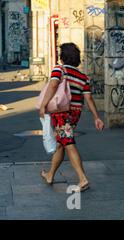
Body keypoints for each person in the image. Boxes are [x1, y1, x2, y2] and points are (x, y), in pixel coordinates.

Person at [39, 43, 104, 192]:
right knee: (61, 143)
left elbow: (53, 85)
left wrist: (43, 105)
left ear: (63, 57)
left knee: (68, 143)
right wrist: (96, 117)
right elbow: (88, 99)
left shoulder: (59, 69)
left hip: (61, 112)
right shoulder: (83, 77)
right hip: (75, 113)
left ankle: (82, 179)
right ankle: (50, 175)